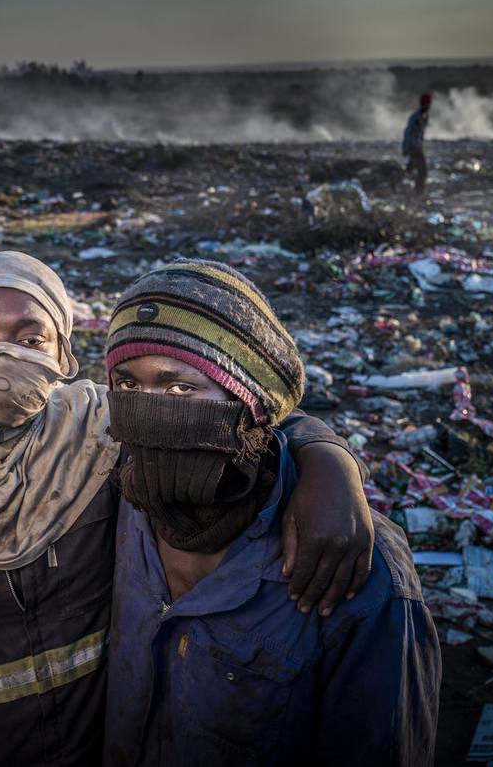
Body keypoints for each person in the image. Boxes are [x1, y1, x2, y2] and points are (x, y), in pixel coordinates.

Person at [0, 251, 376, 766]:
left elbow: (241, 413)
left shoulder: (101, 430)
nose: (1, 353)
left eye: (30, 338)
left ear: (63, 357)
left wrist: (329, 462)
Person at [101, 260, 441, 766]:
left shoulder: (357, 571)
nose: (150, 413)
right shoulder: (117, 495)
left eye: (180, 390)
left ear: (250, 405)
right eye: (128, 387)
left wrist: (329, 460)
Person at [403, 92, 432, 195]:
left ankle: (404, 188)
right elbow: (408, 133)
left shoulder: (423, 117)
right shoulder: (416, 118)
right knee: (423, 171)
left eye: (428, 103)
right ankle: (418, 193)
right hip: (414, 148)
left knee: (410, 170)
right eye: (426, 103)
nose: (428, 106)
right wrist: (406, 148)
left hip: (416, 147)